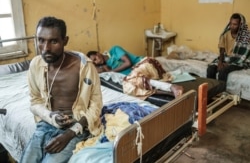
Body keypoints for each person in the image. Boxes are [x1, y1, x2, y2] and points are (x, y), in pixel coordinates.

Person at [20, 16, 103, 163]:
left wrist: (71, 132)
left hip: (77, 124)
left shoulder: (84, 67)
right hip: (47, 122)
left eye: (53, 41)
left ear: (65, 41)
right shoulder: (35, 65)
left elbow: (96, 105)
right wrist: (51, 116)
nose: (46, 48)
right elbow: (35, 102)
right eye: (41, 40)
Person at [87, 45, 184, 98]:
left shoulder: (114, 50)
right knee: (130, 87)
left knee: (135, 79)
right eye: (94, 62)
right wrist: (106, 68)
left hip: (145, 64)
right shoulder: (106, 67)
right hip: (139, 76)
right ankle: (169, 92)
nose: (97, 61)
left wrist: (111, 71)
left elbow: (128, 63)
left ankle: (172, 87)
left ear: (98, 53)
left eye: (95, 58)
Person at [207, 13, 250, 82]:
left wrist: (229, 64)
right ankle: (212, 88)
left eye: (235, 24)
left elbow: (245, 55)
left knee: (223, 72)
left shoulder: (246, 37)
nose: (232, 26)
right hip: (226, 58)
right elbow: (222, 49)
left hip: (238, 60)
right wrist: (220, 62)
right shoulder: (225, 34)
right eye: (231, 23)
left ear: (241, 25)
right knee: (210, 69)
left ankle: (221, 91)